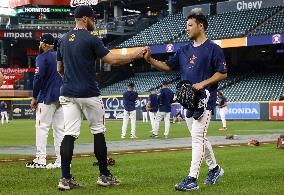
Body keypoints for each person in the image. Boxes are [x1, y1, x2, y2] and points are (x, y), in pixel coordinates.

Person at [56, 5, 145, 190]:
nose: (94, 22)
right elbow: (112, 60)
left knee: (69, 134)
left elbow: (59, 69)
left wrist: (70, 81)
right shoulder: (91, 39)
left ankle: (65, 179)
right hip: (88, 92)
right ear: (85, 19)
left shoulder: (63, 39)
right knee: (98, 131)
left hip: (67, 92)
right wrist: (135, 55)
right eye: (93, 19)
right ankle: (104, 176)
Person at [143, 11, 227, 191]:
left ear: (201, 26)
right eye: (186, 25)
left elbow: (222, 73)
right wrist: (150, 59)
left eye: (190, 25)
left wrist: (202, 84)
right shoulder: (184, 50)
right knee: (199, 137)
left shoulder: (213, 48)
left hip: (204, 100)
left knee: (197, 138)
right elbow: (167, 66)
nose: (186, 28)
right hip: (188, 101)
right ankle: (215, 169)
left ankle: (191, 179)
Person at [25, 34, 64, 169]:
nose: (39, 45)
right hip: (62, 97)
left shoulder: (42, 57)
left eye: (40, 43)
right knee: (60, 130)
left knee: (42, 128)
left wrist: (34, 97)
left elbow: (38, 78)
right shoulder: (61, 55)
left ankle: (40, 160)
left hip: (46, 98)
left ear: (44, 44)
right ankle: (61, 161)